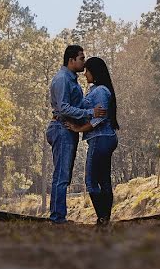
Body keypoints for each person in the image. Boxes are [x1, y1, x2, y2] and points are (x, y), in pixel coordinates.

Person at [46, 45, 106, 224]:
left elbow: (77, 105)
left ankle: (58, 216)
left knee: (64, 175)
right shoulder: (63, 78)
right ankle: (57, 218)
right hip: (61, 127)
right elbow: (63, 107)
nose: (84, 61)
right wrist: (90, 113)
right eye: (81, 58)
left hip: (67, 129)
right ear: (71, 60)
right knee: (61, 176)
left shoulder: (71, 79)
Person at [63, 56, 119, 225]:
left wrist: (78, 129)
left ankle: (102, 217)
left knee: (91, 182)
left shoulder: (100, 90)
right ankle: (105, 219)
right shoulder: (96, 89)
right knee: (103, 180)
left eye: (87, 71)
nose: (85, 74)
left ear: (95, 72)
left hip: (100, 138)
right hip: (103, 139)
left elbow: (98, 118)